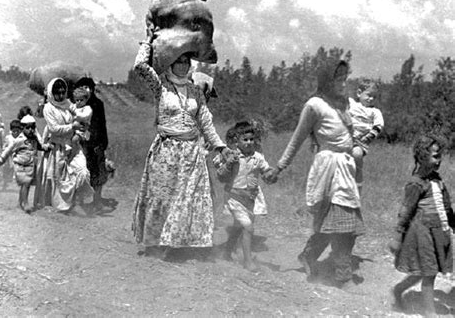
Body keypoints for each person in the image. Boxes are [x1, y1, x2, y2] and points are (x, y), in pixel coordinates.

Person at [266, 60, 363, 288]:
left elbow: (352, 135)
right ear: (326, 81)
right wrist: (279, 167)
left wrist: (357, 148)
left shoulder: (345, 104)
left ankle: (308, 255)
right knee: (341, 225)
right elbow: (297, 139)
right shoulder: (315, 105)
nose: (343, 83)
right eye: (338, 78)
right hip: (329, 170)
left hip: (346, 169)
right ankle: (343, 276)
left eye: (344, 78)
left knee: (340, 224)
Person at [132, 49, 232, 259]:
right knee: (161, 197)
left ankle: (176, 244)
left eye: (187, 62)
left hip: (191, 152)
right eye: (179, 61)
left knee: (186, 198)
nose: (183, 66)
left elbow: (205, 121)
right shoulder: (161, 87)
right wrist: (148, 41)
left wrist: (220, 146)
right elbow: (140, 67)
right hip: (166, 151)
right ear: (170, 63)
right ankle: (153, 242)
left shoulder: (195, 91)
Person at [388, 134, 454, 317]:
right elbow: (406, 211)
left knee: (421, 272)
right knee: (429, 272)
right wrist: (397, 237)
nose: (438, 160)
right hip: (421, 233)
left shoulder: (438, 181)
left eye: (440, 156)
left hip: (437, 232)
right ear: (422, 157)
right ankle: (429, 312)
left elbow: (447, 208)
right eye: (434, 156)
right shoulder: (415, 184)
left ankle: (398, 290)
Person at [214, 121, 272, 271]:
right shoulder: (232, 156)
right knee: (248, 228)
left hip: (251, 198)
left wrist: (270, 175)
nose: (248, 142)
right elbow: (220, 175)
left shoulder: (257, 157)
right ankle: (247, 261)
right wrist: (228, 163)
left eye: (251, 139)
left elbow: (265, 169)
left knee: (239, 227)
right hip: (234, 197)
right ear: (237, 141)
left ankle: (226, 251)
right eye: (245, 139)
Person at [41, 77, 93, 213]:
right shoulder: (48, 108)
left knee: (82, 171)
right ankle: (62, 205)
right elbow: (54, 129)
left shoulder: (68, 103)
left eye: (63, 92)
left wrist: (83, 121)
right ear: (52, 93)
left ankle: (78, 201)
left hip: (73, 145)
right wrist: (72, 126)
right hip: (59, 147)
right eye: (58, 93)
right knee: (61, 178)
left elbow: (79, 115)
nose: (61, 95)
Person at [0, 115, 52, 213]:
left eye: (32, 127)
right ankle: (26, 203)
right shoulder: (20, 140)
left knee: (25, 184)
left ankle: (20, 202)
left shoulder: (34, 139)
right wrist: (2, 159)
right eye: (28, 128)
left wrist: (47, 147)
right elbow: (9, 149)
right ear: (22, 128)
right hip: (20, 165)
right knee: (26, 183)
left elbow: (40, 146)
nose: (30, 130)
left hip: (30, 165)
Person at [73, 77, 109, 211]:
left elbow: (102, 124)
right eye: (82, 87)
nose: (85, 90)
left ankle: (97, 200)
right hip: (81, 143)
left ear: (92, 89)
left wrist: (103, 143)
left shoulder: (98, 104)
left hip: (96, 143)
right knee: (81, 171)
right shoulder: (76, 105)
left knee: (98, 172)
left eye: (87, 87)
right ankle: (79, 201)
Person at [348, 79, 384, 194]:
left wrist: (368, 137)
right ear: (359, 93)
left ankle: (358, 186)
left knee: (357, 155)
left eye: (374, 97)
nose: (371, 99)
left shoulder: (375, 111)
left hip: (361, 141)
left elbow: (378, 126)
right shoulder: (352, 104)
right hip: (346, 137)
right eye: (369, 95)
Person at [66, 87, 93, 159]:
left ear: (86, 100)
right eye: (77, 100)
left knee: (75, 140)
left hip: (81, 131)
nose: (79, 102)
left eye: (81, 100)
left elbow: (84, 116)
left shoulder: (87, 108)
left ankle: (73, 155)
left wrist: (75, 114)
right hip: (73, 128)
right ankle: (68, 152)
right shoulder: (74, 107)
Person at [1, 119, 23, 190]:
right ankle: (5, 183)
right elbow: (4, 146)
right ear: (11, 130)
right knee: (7, 170)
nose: (16, 133)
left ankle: (17, 183)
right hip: (9, 157)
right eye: (14, 131)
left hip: (18, 157)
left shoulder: (21, 138)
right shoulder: (8, 138)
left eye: (17, 131)